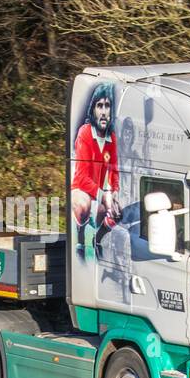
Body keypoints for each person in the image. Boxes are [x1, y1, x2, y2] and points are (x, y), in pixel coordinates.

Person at [71, 82, 121, 257]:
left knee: (117, 213)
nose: (104, 111)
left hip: (98, 192)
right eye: (100, 105)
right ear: (93, 109)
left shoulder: (112, 137)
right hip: (82, 189)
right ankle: (80, 236)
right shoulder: (85, 132)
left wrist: (114, 192)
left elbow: (114, 170)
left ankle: (97, 238)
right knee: (83, 204)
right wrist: (103, 196)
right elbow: (82, 177)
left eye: (107, 106)